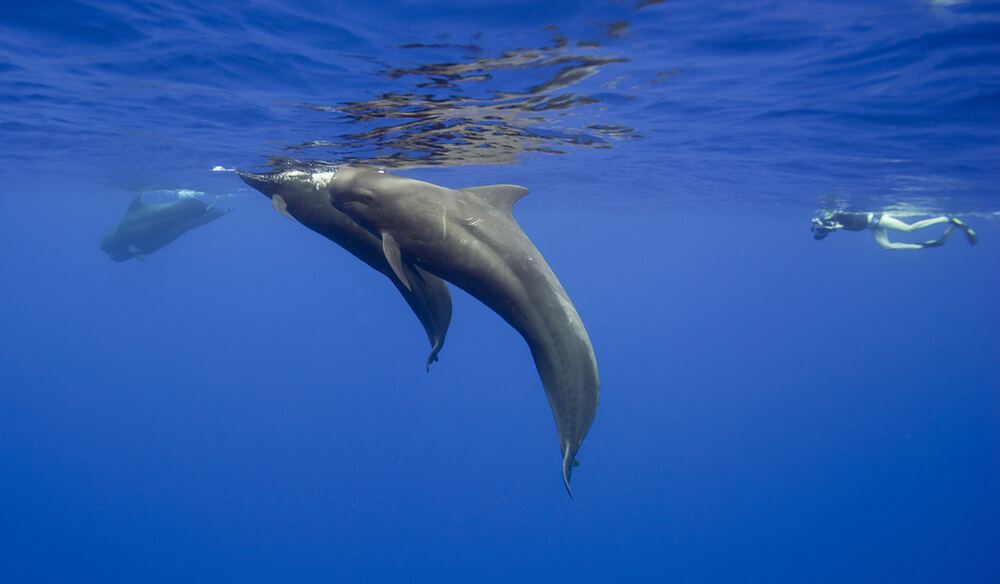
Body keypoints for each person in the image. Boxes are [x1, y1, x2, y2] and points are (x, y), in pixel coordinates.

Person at [811, 210, 978, 250]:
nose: (826, 232)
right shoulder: (835, 224)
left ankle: (945, 218)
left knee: (909, 229)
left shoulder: (835, 217)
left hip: (878, 218)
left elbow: (840, 219)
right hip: (873, 225)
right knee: (886, 246)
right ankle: (934, 243)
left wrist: (827, 224)